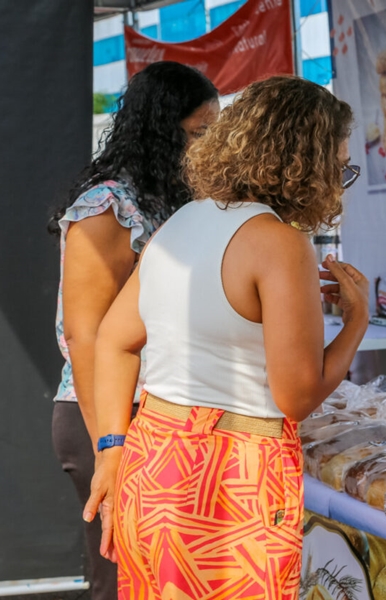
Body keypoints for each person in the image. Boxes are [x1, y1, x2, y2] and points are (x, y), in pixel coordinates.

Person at [83, 76, 368, 599]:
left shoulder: (182, 222)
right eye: (339, 166)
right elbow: (296, 396)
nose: (339, 181)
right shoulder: (280, 244)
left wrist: (111, 448)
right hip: (229, 479)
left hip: (151, 464)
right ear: (305, 162)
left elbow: (114, 341)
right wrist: (356, 324)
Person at [50, 61, 219, 600]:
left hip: (161, 413)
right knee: (122, 577)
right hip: (108, 417)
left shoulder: (173, 197)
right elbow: (84, 336)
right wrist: (110, 447)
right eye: (200, 133)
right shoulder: (108, 207)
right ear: (161, 129)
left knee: (163, 574)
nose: (210, 145)